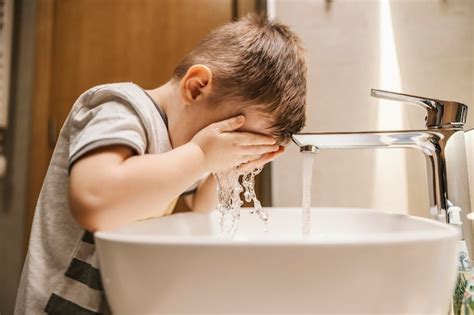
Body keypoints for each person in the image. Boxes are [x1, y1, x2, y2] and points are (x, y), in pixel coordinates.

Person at [15, 13, 307, 314]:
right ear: (195, 88)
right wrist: (203, 156)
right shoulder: (120, 108)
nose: (228, 146)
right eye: (235, 135)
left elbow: (205, 212)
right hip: (61, 305)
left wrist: (228, 167)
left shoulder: (185, 148)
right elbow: (94, 201)